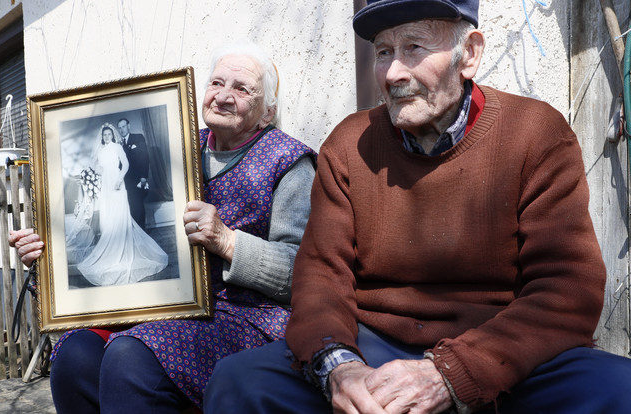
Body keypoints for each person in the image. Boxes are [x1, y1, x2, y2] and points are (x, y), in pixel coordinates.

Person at [204, 1, 631, 413]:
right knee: (239, 381)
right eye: (384, 51)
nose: (393, 73)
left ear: (470, 54)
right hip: (372, 347)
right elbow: (320, 276)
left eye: (414, 47)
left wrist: (450, 374)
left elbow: (566, 290)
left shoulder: (536, 134)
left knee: (618, 389)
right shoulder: (349, 144)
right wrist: (339, 366)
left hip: (499, 350)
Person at [8, 40, 316, 413]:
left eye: (242, 88)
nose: (223, 96)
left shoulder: (290, 163)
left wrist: (228, 241)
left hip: (241, 315)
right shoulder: (181, 144)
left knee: (131, 359)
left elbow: (302, 272)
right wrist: (45, 259)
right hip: (161, 308)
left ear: (267, 111)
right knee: (74, 357)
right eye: (216, 83)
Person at [75, 123, 168, 286]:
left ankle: (122, 247)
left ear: (113, 135)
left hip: (117, 183)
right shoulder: (101, 150)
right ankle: (109, 249)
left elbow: (125, 165)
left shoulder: (118, 147)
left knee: (119, 213)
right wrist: (95, 173)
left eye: (109, 134)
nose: (107, 137)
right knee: (107, 213)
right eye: (104, 135)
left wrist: (119, 180)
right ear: (102, 136)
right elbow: (97, 168)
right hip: (105, 184)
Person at [118, 118, 151, 228]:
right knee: (129, 204)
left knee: (138, 204)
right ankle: (134, 230)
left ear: (129, 126)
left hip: (137, 178)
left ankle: (142, 230)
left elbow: (145, 158)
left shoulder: (138, 137)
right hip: (125, 180)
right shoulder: (118, 144)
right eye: (119, 127)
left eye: (123, 126)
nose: (121, 129)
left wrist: (143, 177)